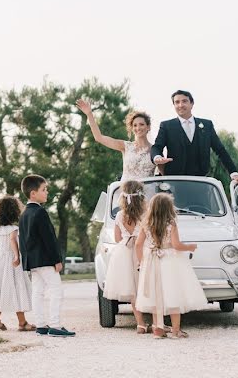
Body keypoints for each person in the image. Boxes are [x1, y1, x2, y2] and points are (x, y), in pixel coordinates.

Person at [134, 193, 208, 338]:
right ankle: (175, 331)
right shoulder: (171, 223)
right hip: (169, 261)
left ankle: (158, 330)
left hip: (151, 261)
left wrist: (142, 261)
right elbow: (176, 245)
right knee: (173, 293)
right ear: (168, 208)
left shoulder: (145, 224)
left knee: (155, 294)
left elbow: (138, 244)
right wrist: (190, 247)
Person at [19, 174, 75, 337]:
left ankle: (41, 325)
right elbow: (49, 238)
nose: (47, 192)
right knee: (56, 290)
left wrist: (26, 260)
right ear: (33, 194)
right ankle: (55, 325)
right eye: (44, 190)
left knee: (38, 292)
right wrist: (56, 259)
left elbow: (22, 240)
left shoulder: (24, 215)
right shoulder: (40, 212)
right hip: (45, 259)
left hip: (33, 261)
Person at [150, 90, 238, 183]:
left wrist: (233, 173)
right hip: (175, 181)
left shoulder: (207, 125)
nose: (180, 105)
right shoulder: (167, 126)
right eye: (177, 102)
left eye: (184, 101)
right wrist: (157, 157)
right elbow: (157, 147)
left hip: (201, 182)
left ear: (192, 104)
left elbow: (220, 150)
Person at [101, 180, 149, 333]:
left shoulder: (120, 215)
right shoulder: (146, 214)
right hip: (143, 250)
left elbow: (117, 238)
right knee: (148, 287)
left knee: (133, 291)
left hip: (125, 252)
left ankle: (140, 324)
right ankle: (157, 322)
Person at [0, 195, 34, 332]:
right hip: (11, 261)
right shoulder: (13, 229)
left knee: (2, 289)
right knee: (17, 288)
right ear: (14, 211)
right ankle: (22, 323)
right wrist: (17, 256)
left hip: (0, 262)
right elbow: (13, 241)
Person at [76, 99, 155, 180]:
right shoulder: (126, 146)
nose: (138, 128)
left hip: (148, 190)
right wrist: (89, 114)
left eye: (141, 124)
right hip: (126, 190)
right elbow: (99, 137)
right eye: (135, 125)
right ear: (132, 128)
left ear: (148, 127)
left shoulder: (155, 149)